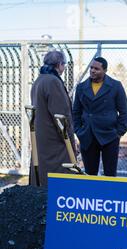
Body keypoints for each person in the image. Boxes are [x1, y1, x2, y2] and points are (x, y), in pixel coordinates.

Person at [72, 57, 127, 176]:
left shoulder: (115, 86)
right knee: (90, 174)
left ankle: (109, 194)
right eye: (91, 68)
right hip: (87, 135)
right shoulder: (81, 87)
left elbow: (123, 111)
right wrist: (78, 130)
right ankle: (91, 194)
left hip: (109, 136)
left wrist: (119, 132)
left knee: (110, 174)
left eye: (96, 69)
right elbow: (76, 111)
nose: (92, 70)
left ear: (105, 70)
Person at [30, 50, 75, 187]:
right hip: (55, 140)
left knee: (42, 173)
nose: (64, 68)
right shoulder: (53, 82)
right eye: (64, 65)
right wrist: (70, 142)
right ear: (59, 64)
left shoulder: (39, 80)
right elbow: (61, 116)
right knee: (58, 178)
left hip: (42, 136)